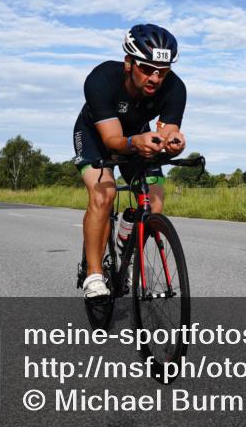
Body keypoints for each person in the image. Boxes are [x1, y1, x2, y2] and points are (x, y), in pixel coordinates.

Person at [73, 24, 187, 298]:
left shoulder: (175, 88)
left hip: (137, 134)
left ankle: (126, 234)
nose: (155, 78)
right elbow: (113, 140)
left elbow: (168, 130)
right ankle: (94, 275)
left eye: (163, 71)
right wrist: (135, 142)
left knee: (155, 203)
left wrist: (173, 142)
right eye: (147, 69)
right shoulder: (101, 79)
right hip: (96, 136)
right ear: (128, 63)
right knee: (105, 193)